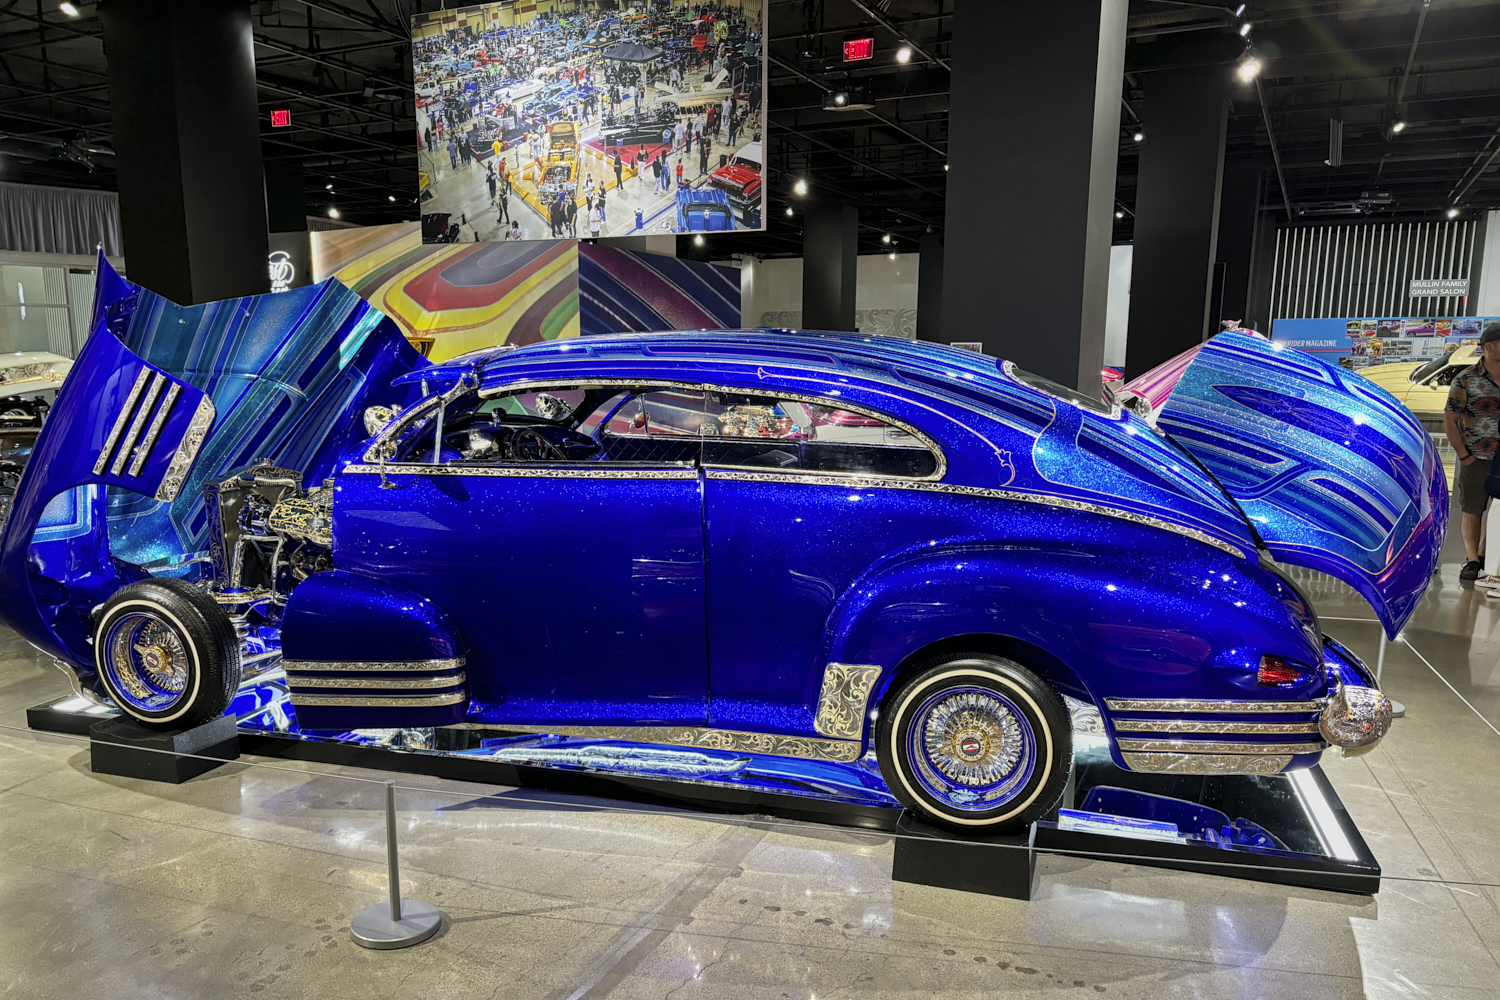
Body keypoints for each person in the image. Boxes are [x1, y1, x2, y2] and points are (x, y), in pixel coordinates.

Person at [1446, 323, 1500, 580]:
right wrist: (1463, 456)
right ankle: (1472, 561)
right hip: (1476, 457)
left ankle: (1487, 554)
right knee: (1473, 509)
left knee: (1498, 510)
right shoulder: (1466, 379)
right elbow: (1450, 420)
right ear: (1489, 347)